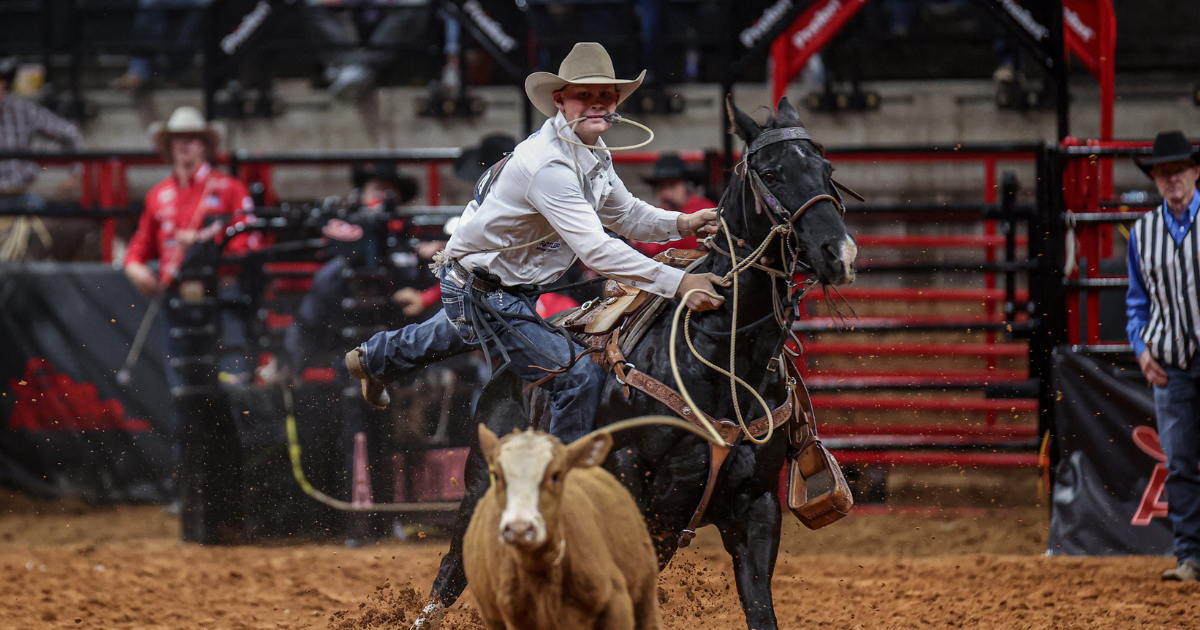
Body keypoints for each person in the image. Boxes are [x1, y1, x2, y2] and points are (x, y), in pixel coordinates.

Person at [345, 42, 725, 444]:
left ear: (616, 101)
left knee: (461, 332)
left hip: (499, 283)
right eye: (585, 95)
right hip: (486, 288)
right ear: (560, 101)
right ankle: (562, 484)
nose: (597, 104)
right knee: (575, 377)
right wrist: (679, 283)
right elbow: (596, 250)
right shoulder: (549, 165)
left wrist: (683, 221)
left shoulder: (590, 151)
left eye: (605, 95)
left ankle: (373, 358)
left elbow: (625, 214)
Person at [123, 106, 256, 545]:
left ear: (204, 145)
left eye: (193, 138)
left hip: (222, 305)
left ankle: (234, 495)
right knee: (185, 400)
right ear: (169, 147)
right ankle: (191, 494)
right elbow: (138, 246)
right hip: (177, 307)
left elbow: (252, 240)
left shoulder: (229, 189)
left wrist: (205, 241)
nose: (186, 145)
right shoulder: (158, 195)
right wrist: (134, 267)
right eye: (178, 139)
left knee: (228, 391)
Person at [1125, 130, 1200, 581]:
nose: (1172, 178)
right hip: (1170, 363)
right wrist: (1140, 350)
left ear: (1196, 171)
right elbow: (1137, 303)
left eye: (1179, 170)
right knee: (1179, 463)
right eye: (1163, 172)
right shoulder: (1142, 234)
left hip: (1179, 359)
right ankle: (1190, 557)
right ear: (1155, 179)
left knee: (1183, 463)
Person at [0, 57, 83, 213]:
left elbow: (70, 133)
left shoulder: (22, 110)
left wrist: (74, 175)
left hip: (21, 198)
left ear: (4, 85)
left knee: (50, 220)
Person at [632, 153, 716, 257]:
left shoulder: (705, 209)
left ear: (687, 185)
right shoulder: (655, 214)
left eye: (672, 185)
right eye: (661, 187)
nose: (667, 193)